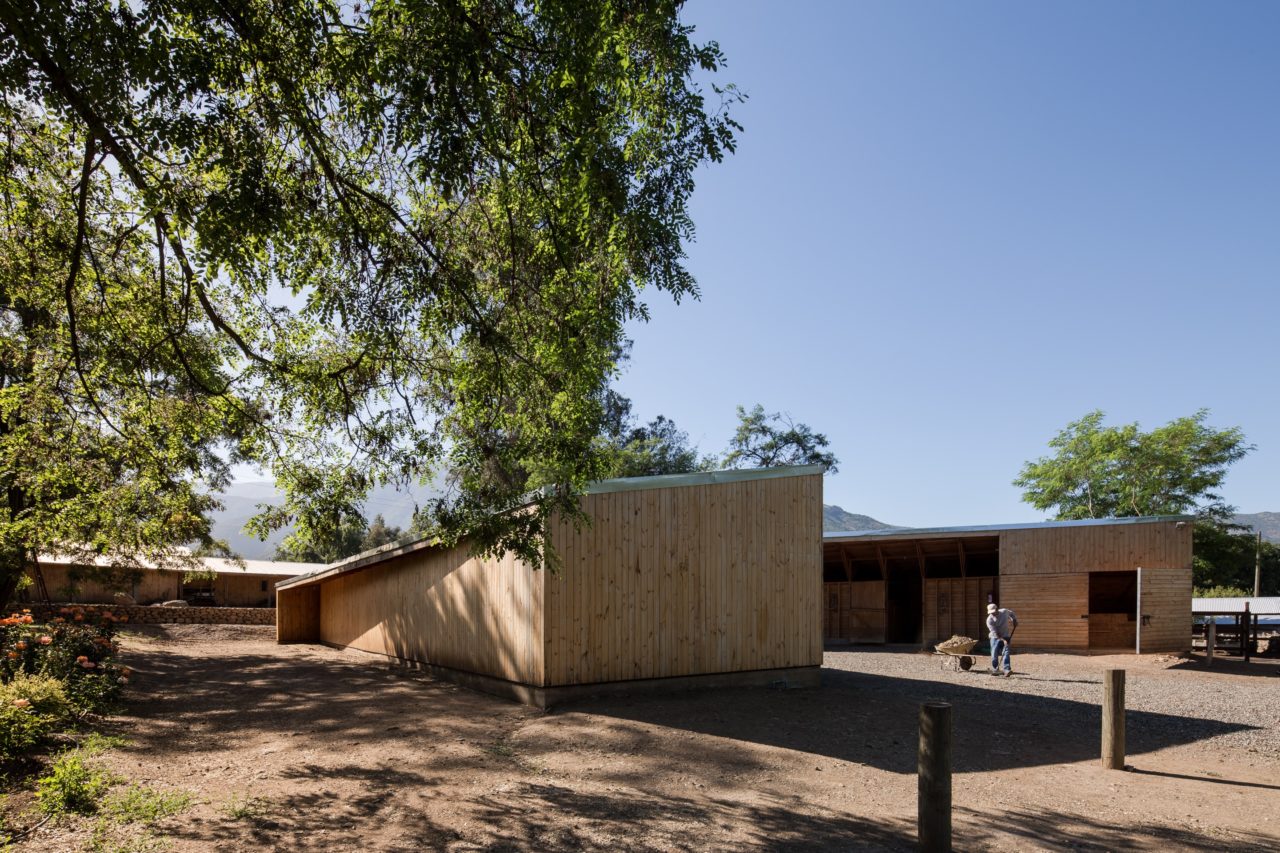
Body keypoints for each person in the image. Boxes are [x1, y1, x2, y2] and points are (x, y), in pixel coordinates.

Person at [987, 602, 1018, 677]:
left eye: (993, 612)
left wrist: (1014, 620)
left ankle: (1007, 669)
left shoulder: (1004, 612)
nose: (992, 614)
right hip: (995, 637)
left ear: (997, 609)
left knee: (1006, 652)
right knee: (994, 653)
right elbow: (995, 633)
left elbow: (1011, 614)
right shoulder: (989, 620)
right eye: (991, 613)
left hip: (1006, 635)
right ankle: (995, 669)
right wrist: (1003, 640)